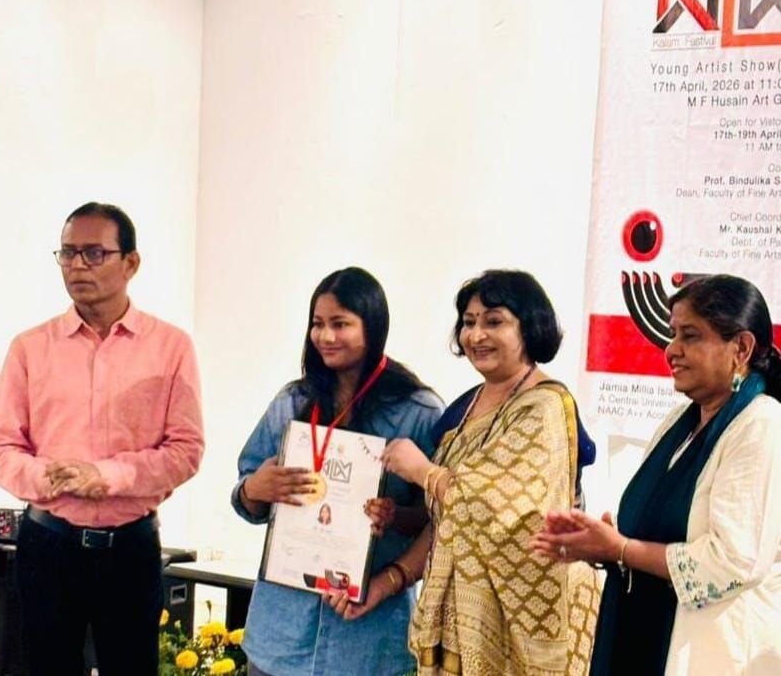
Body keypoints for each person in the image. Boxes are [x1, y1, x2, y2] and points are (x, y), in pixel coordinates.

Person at [0, 202, 204, 676]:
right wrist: (52, 477)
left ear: (131, 263)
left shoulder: (171, 347)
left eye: (94, 253)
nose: (77, 266)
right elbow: (2, 448)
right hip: (49, 544)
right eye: (67, 253)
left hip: (130, 548)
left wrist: (106, 476)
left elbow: (186, 450)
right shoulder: (30, 348)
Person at [531, 274, 781, 675]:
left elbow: (732, 563)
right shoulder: (679, 423)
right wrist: (599, 544)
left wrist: (622, 549)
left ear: (741, 348)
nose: (671, 350)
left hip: (712, 653)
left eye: (690, 336)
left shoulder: (762, 423)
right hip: (642, 632)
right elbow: (651, 540)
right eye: (672, 334)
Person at [380, 269, 600, 675]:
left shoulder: (545, 407)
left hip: (519, 617)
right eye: (469, 322)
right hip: (460, 612)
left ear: (529, 327)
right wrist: (398, 522)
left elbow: (494, 508)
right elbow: (450, 518)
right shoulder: (463, 409)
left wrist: (422, 470)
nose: (476, 335)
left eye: (494, 321)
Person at [231, 266, 444, 676]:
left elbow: (441, 520)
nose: (325, 336)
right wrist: (256, 488)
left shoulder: (419, 411)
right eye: (318, 324)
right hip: (280, 635)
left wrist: (395, 516)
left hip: (368, 641)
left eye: (340, 324)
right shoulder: (293, 402)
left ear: (373, 326)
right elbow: (245, 497)